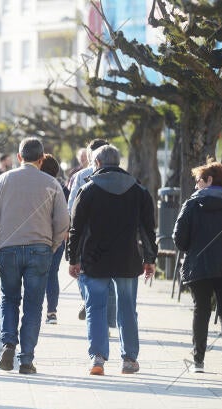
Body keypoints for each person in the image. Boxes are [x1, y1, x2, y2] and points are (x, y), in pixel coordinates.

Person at [0, 137, 69, 375]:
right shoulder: (52, 184)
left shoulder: (3, 180)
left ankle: (9, 342)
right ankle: (27, 359)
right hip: (39, 249)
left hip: (7, 248)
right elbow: (63, 222)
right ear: (41, 160)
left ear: (19, 157)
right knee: (33, 305)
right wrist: (51, 246)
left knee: (9, 298)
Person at [67, 144, 157, 376]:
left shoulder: (87, 191)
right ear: (118, 163)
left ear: (96, 163)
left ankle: (97, 358)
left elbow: (76, 229)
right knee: (127, 308)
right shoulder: (139, 191)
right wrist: (150, 259)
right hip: (128, 259)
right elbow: (148, 230)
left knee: (95, 307)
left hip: (93, 260)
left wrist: (73, 259)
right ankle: (129, 359)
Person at [172, 159, 222, 376]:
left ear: (209, 180)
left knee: (201, 311)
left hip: (200, 266)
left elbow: (178, 238)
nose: (196, 185)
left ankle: (198, 362)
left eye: (198, 181)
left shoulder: (192, 204)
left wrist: (192, 250)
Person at [66, 139, 115, 323]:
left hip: (86, 236)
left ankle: (89, 303)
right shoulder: (120, 176)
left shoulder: (82, 176)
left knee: (82, 272)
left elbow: (72, 207)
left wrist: (71, 232)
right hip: (112, 235)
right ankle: (105, 319)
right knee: (108, 279)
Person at [40, 154, 70, 325]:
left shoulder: (37, 187)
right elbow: (65, 215)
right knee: (52, 274)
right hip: (57, 238)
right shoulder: (62, 188)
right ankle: (52, 312)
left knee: (37, 274)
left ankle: (36, 309)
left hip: (38, 236)